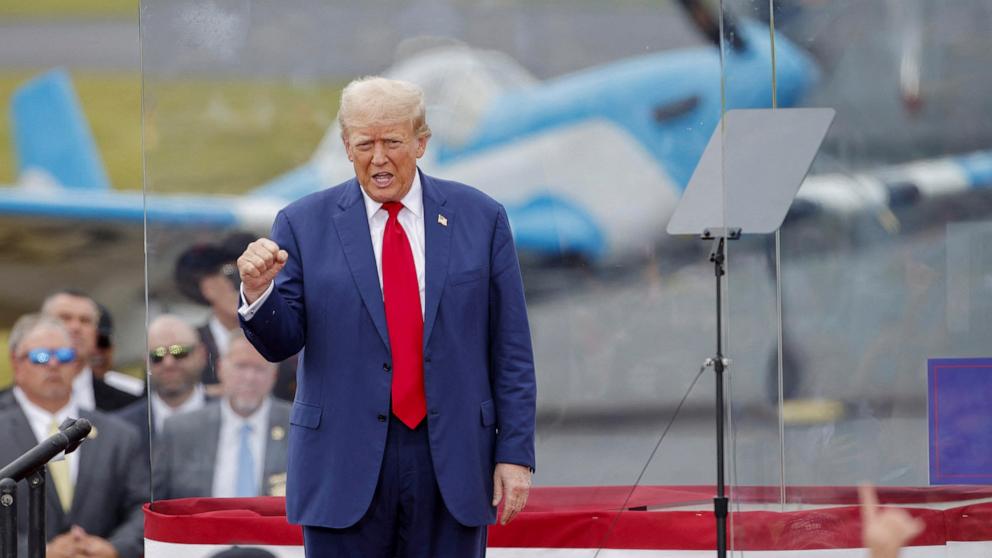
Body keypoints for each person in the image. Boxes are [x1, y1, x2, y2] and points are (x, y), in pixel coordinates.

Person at [237, 76, 537, 557]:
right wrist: (258, 291)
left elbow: (511, 350)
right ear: (345, 146)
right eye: (364, 144)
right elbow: (281, 342)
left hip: (452, 462)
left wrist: (515, 455)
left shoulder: (480, 218)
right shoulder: (301, 223)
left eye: (392, 142)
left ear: (421, 142)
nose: (378, 158)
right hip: (342, 462)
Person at [0, 314, 146, 558]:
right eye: (41, 357)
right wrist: (40, 551)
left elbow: (142, 507)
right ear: (16, 363)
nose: (54, 365)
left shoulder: (120, 435)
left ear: (77, 364)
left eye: (65, 356)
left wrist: (113, 548)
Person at [154, 331, 291, 499]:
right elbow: (158, 501)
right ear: (220, 369)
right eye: (241, 366)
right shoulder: (181, 430)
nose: (249, 378)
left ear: (274, 376)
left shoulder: (296, 426)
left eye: (259, 368)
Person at [175, 236, 298, 401]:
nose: (247, 283)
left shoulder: (285, 340)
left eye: (260, 273)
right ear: (207, 286)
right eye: (233, 275)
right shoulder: (187, 345)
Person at [8, 290, 142, 412]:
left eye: (85, 321)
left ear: (96, 333)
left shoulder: (130, 407)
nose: (76, 327)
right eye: (65, 318)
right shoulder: (5, 407)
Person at [116, 314, 210, 452]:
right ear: (146, 362)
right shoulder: (121, 428)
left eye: (179, 352)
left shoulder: (230, 417)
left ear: (201, 354)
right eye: (157, 355)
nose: (168, 363)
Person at [859, 484, 924, 558]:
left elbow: (870, 515)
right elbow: (870, 514)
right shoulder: (884, 537)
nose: (891, 505)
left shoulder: (876, 534)